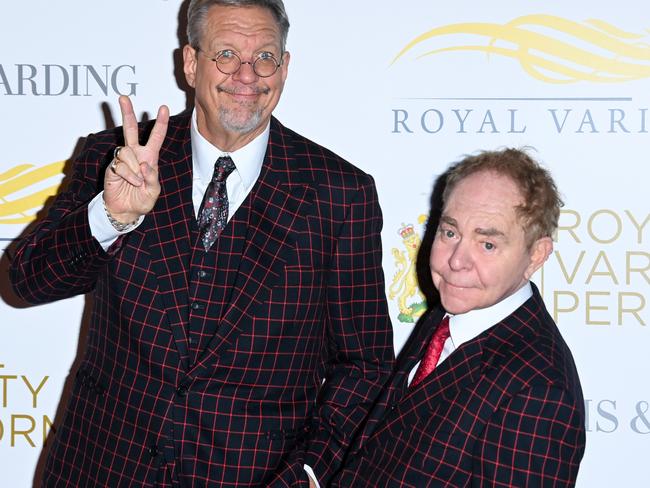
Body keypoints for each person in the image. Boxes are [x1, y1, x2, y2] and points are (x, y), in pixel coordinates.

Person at [10, 1, 394, 486]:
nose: (247, 74)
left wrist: (308, 474)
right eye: (227, 54)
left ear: (286, 67)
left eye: (265, 57)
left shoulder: (338, 193)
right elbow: (28, 281)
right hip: (102, 470)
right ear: (191, 63)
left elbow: (366, 366)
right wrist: (110, 215)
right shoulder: (119, 159)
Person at [333, 148, 586, 487]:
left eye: (488, 245)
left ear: (535, 255)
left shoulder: (539, 391)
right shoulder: (449, 313)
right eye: (450, 233)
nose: (456, 261)